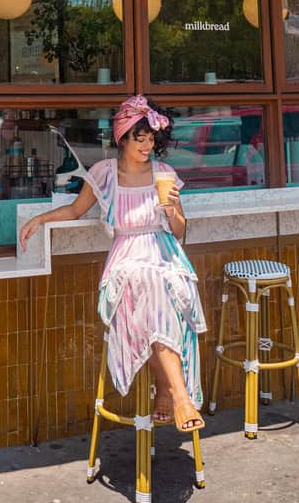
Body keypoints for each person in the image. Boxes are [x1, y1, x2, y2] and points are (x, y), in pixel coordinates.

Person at [19, 94, 206, 431]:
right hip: (127, 257)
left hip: (164, 253)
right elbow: (76, 210)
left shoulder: (164, 173)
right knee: (147, 283)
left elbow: (180, 232)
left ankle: (169, 393)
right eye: (140, 139)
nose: (147, 146)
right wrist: (40, 219)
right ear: (123, 138)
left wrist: (174, 210)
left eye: (151, 139)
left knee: (161, 286)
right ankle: (177, 394)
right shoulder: (105, 173)